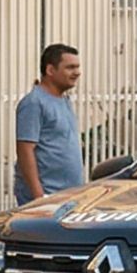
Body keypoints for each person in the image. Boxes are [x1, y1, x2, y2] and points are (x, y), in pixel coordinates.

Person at [13, 42, 84, 206]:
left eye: (77, 67)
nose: (77, 73)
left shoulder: (64, 100)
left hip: (68, 196)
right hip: (47, 198)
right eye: (70, 67)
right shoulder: (34, 103)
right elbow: (25, 150)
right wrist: (39, 197)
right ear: (50, 70)